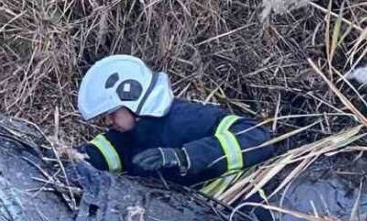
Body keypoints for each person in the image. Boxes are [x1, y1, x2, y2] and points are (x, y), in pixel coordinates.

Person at [76, 55, 274, 193]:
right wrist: (64, 158)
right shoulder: (127, 136)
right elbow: (98, 155)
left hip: (241, 217)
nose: (107, 122)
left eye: (112, 114)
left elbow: (257, 138)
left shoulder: (186, 119)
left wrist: (184, 157)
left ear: (133, 101)